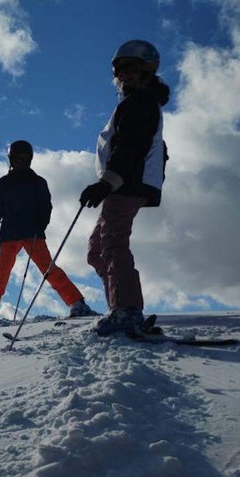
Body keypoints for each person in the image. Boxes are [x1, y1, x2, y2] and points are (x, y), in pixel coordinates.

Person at [79, 40, 170, 335]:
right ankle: (119, 306)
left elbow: (131, 146)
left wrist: (107, 183)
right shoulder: (132, 103)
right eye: (119, 70)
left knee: (113, 244)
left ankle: (127, 310)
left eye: (130, 68)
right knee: (97, 251)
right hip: (122, 184)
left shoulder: (141, 103)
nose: (123, 75)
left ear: (146, 69)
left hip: (126, 184)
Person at [0, 140, 94, 321]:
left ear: (30, 160)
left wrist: (41, 224)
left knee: (47, 268)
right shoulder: (6, 183)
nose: (21, 162)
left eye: (24, 159)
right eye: (18, 159)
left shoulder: (37, 182)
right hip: (12, 234)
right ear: (11, 159)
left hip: (30, 233)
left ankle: (76, 303)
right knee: (3, 273)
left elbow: (45, 206)